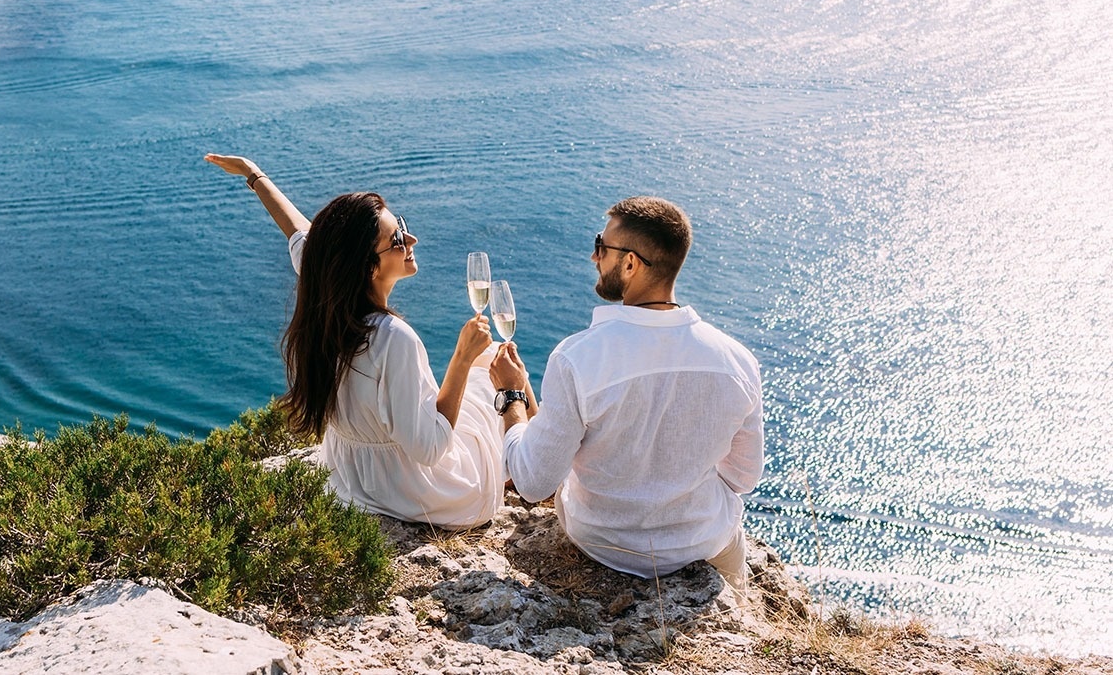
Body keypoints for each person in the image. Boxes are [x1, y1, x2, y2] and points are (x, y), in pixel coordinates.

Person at [205, 154, 507, 530]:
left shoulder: (325, 291)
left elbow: (300, 233)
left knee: (488, 370)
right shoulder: (394, 339)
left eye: (403, 227)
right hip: (423, 494)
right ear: (369, 267)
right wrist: (462, 359)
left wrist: (254, 174)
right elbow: (429, 448)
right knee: (496, 364)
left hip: (351, 481)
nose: (411, 239)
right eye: (397, 239)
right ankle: (535, 476)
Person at [488, 196, 764, 596]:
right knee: (740, 597)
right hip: (702, 543)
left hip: (601, 543)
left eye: (601, 246)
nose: (593, 256)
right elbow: (743, 476)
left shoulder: (577, 357)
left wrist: (511, 395)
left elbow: (532, 483)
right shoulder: (737, 361)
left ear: (631, 263)